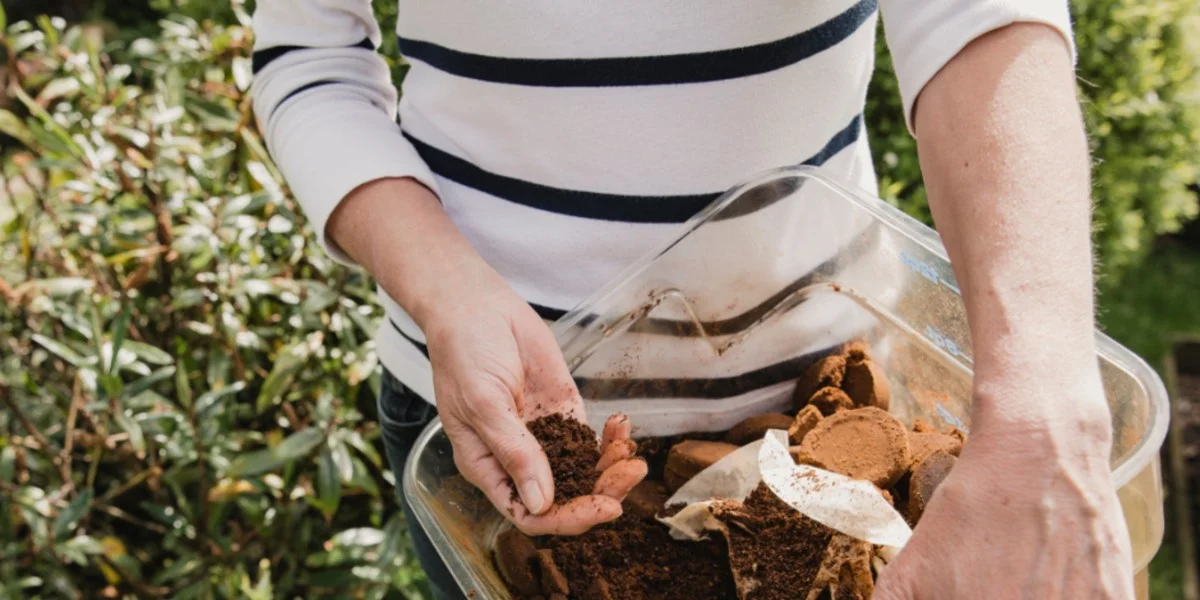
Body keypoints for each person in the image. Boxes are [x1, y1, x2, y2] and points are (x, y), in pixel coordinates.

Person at [250, 1, 1134, 598]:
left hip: (830, 406)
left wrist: (1043, 424)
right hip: (499, 434)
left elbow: (980, 17)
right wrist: (448, 294)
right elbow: (309, 57)